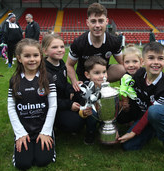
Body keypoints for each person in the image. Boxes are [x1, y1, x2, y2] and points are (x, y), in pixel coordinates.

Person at [117, 42, 164, 168]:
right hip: (146, 114)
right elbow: (129, 89)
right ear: (143, 61)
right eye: (151, 58)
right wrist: (125, 102)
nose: (156, 62)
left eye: (160, 58)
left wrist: (134, 131)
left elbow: (151, 111)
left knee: (155, 112)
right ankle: (154, 129)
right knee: (128, 146)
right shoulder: (139, 74)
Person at [7, 38, 57, 170]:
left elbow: (53, 106)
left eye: (35, 55)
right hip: (24, 129)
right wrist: (20, 133)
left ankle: (49, 136)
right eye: (27, 56)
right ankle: (21, 140)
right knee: (23, 164)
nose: (32, 59)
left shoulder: (48, 78)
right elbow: (11, 107)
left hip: (42, 128)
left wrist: (46, 131)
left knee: (43, 160)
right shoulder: (14, 80)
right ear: (19, 58)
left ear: (41, 56)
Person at [66, 2, 125, 92]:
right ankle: (91, 88)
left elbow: (123, 63)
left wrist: (124, 90)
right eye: (93, 21)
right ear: (87, 22)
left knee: (124, 69)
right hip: (85, 76)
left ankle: (107, 87)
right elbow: (69, 65)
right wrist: (75, 82)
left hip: (103, 74)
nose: (97, 25)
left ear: (106, 22)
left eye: (101, 21)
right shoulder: (78, 43)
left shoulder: (114, 41)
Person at [42, 34, 84, 134]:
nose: (60, 49)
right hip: (52, 107)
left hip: (63, 100)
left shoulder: (61, 64)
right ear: (45, 51)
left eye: (61, 46)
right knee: (76, 123)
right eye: (54, 47)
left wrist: (71, 89)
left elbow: (64, 83)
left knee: (82, 90)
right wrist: (69, 105)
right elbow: (47, 99)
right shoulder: (44, 71)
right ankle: (54, 125)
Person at [76, 56, 108, 144]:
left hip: (102, 112)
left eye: (104, 72)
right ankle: (90, 133)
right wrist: (84, 113)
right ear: (87, 75)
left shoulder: (107, 88)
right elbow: (81, 108)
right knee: (92, 113)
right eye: (97, 73)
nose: (102, 76)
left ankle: (106, 131)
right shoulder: (84, 89)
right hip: (87, 115)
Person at [117, 45, 143, 123]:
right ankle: (132, 121)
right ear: (123, 64)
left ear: (141, 62)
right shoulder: (125, 77)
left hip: (144, 105)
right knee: (120, 118)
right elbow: (123, 91)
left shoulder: (145, 75)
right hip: (132, 104)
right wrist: (125, 102)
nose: (131, 65)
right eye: (127, 62)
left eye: (135, 61)